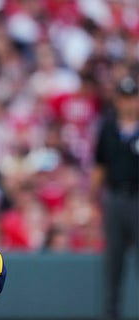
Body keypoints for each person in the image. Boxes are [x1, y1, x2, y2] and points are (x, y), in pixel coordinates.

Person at [91, 76, 139, 320]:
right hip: (115, 198)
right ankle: (112, 314)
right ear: (117, 100)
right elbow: (99, 167)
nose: (128, 103)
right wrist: (94, 200)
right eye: (124, 98)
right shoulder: (108, 127)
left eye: (132, 98)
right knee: (114, 261)